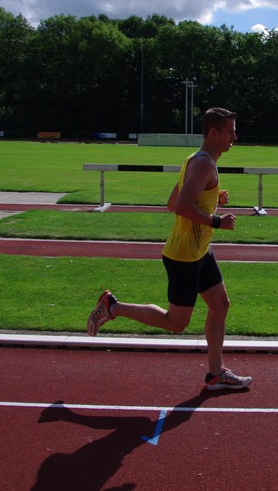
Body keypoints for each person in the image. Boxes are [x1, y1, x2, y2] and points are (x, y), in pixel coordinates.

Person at [86, 107, 252, 391]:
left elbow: (172, 202)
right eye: (230, 131)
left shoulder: (196, 160)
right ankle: (113, 307)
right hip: (184, 256)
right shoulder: (203, 164)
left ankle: (216, 374)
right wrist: (216, 220)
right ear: (214, 133)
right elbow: (181, 207)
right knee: (175, 322)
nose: (234, 137)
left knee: (220, 305)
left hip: (200, 252)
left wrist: (212, 200)